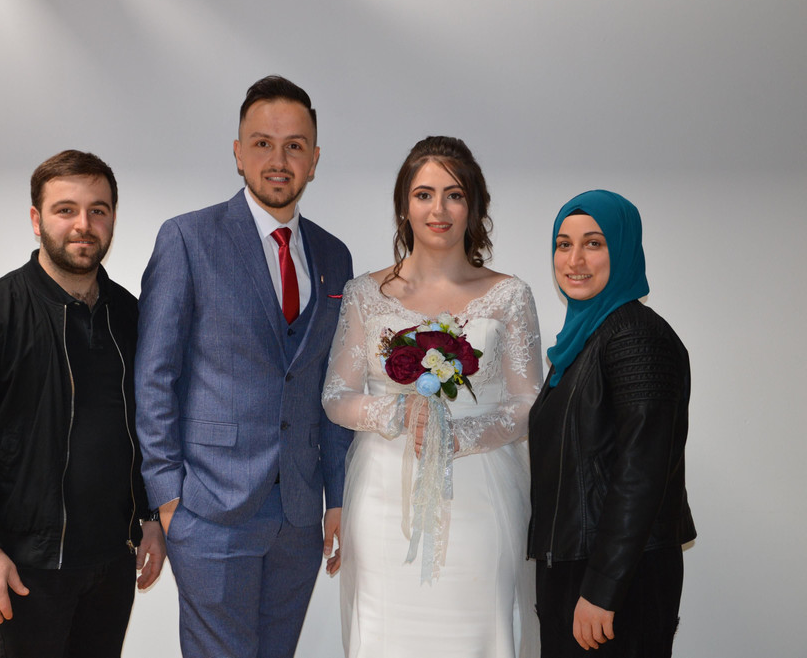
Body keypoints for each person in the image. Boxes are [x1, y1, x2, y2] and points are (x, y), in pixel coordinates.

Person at [135, 76, 353, 658]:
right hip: (209, 509)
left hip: (299, 515)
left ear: (314, 159)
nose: (278, 160)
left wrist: (336, 496)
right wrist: (168, 497)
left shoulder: (334, 255)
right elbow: (154, 376)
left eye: (294, 146)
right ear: (238, 152)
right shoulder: (187, 238)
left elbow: (333, 385)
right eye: (262, 144)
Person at [0, 149, 165, 658]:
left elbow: (146, 425)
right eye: (65, 209)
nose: (83, 225)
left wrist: (149, 518)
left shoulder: (131, 315)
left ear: (113, 219)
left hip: (112, 562)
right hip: (24, 566)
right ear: (37, 220)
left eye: (98, 210)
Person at [322, 136, 542, 657]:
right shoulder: (364, 294)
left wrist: (461, 434)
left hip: (480, 494)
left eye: (454, 195)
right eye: (424, 194)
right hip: (383, 497)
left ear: (474, 207)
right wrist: (398, 410)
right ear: (404, 205)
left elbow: (529, 404)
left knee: (478, 631)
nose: (438, 209)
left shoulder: (510, 295)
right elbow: (336, 394)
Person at [527, 190, 696, 657]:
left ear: (622, 249)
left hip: (617, 579)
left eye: (594, 243)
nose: (575, 260)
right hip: (580, 568)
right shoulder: (583, 341)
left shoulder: (636, 337)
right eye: (564, 244)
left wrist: (602, 589)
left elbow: (641, 474)